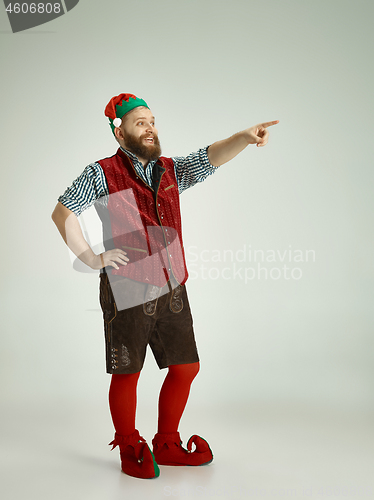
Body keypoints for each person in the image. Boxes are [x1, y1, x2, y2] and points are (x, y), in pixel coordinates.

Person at [52, 93, 279, 479]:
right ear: (118, 129)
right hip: (127, 287)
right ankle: (128, 445)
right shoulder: (101, 172)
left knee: (186, 366)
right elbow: (62, 213)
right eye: (140, 122)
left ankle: (167, 442)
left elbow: (210, 157)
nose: (150, 127)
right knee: (128, 371)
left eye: (152, 120)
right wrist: (92, 258)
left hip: (172, 285)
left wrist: (243, 137)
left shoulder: (170, 169)